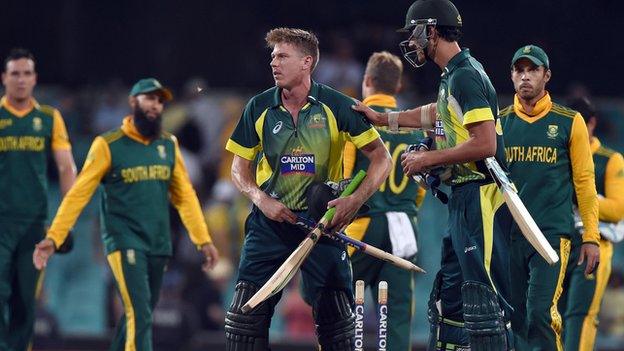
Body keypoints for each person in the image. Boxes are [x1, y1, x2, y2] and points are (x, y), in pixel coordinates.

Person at [353, 1, 513, 349]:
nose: (411, 41)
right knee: (451, 298)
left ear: (432, 30)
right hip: (463, 199)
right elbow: (434, 113)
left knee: (482, 300)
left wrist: (429, 159)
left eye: (414, 32)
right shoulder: (453, 75)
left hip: (480, 197)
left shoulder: (466, 75)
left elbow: (485, 143)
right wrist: (385, 120)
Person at [224, 27, 391, 350]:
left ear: (307, 62)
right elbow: (238, 168)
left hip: (322, 224)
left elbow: (381, 159)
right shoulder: (258, 107)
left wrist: (353, 201)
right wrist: (261, 199)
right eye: (273, 56)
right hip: (270, 224)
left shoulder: (338, 105)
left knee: (338, 324)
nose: (274, 63)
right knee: (244, 323)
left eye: (283, 56)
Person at [32, 78, 219, 351]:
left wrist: (203, 239)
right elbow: (78, 194)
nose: (154, 106)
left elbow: (186, 197)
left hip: (157, 243)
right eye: (148, 100)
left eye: (159, 101)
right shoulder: (108, 145)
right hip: (124, 242)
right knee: (140, 313)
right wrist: (55, 235)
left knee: (138, 317)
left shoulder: (167, 146)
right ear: (133, 103)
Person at [499, 45, 600, 350]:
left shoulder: (570, 121)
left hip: (552, 236)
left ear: (547, 75)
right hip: (511, 237)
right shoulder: (500, 123)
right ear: (512, 76)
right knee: (515, 319)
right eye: (520, 70)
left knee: (540, 313)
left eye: (532, 70)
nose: (525, 77)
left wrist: (591, 237)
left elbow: (584, 182)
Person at [343, 51, 425, 351]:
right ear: (398, 87)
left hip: (361, 228)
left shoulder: (355, 120)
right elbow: (420, 186)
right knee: (397, 317)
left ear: (366, 81)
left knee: (340, 305)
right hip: (403, 228)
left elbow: (343, 175)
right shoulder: (412, 125)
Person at [0, 47, 77, 350]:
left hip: (34, 225)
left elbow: (66, 167)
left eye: (27, 73)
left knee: (25, 303)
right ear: (4, 78)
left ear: (35, 79)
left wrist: (65, 221)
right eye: (15, 73)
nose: (21, 79)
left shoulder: (48, 118)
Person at [559, 97, 624, 351]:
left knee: (581, 314)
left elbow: (618, 208)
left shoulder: (609, 160)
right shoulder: (559, 158)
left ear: (592, 124)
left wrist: (584, 197)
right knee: (555, 313)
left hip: (595, 243)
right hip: (560, 242)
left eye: (579, 126)